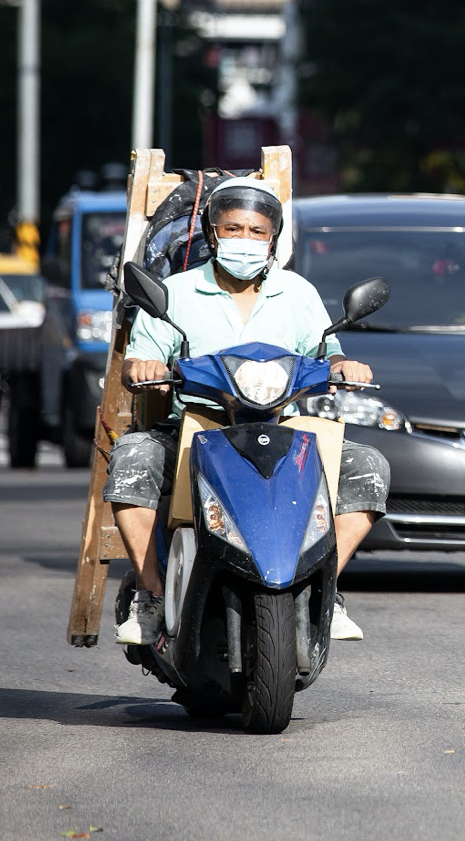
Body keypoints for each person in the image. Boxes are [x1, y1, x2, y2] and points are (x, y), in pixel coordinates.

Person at [107, 178, 391, 646]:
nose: (245, 240)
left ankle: (324, 589)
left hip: (280, 426)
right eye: (233, 228)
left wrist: (345, 366)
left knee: (367, 468)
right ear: (212, 233)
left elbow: (327, 351)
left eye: (258, 232)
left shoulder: (296, 293)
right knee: (133, 459)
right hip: (197, 423)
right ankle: (151, 594)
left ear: (273, 239)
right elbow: (141, 357)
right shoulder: (175, 292)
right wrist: (143, 366)